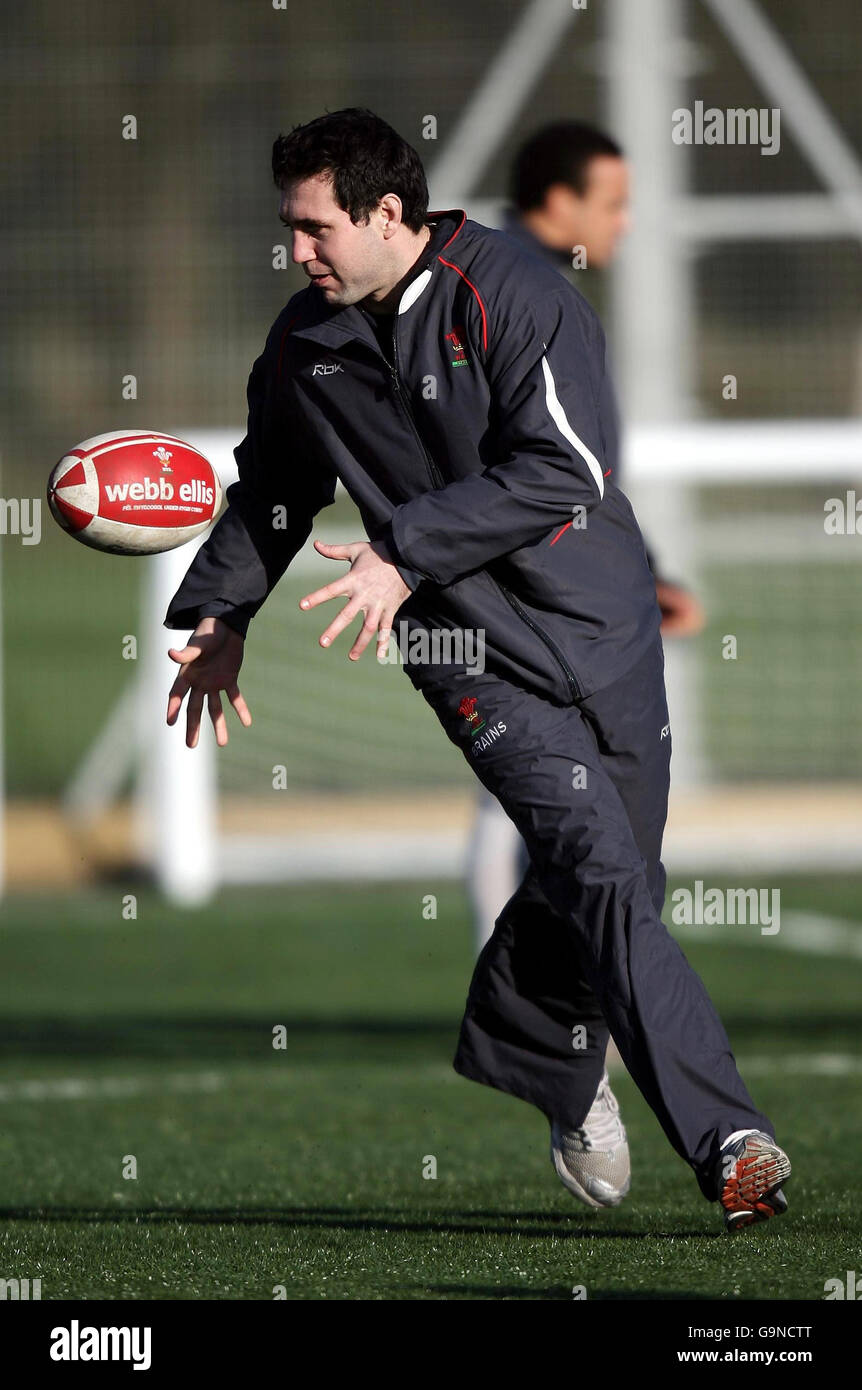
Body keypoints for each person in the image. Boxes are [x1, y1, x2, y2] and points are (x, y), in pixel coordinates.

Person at [163, 108, 790, 1232]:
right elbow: (271, 489)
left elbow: (569, 465)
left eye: (313, 229)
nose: (296, 253)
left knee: (611, 886)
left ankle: (546, 1054)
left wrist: (401, 547)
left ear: (387, 212)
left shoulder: (514, 291)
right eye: (287, 229)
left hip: (601, 632)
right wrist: (221, 613)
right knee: (594, 867)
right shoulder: (306, 344)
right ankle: (731, 1140)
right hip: (467, 654)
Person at [465, 121, 709, 1208]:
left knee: (583, 839)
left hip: (570, 601)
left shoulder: (537, 283)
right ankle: (572, 1051)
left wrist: (632, 568)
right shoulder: (493, 285)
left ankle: (562, 1036)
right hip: (501, 615)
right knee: (549, 830)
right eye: (610, 201)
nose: (622, 223)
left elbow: (575, 468)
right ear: (554, 201)